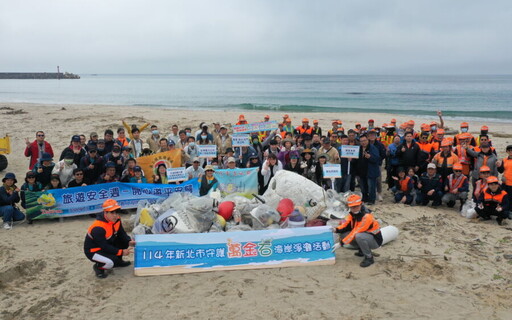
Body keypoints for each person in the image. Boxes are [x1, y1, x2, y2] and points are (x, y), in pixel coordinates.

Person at [84, 199, 134, 278]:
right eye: (112, 212)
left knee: (124, 241)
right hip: (93, 251)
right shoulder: (98, 227)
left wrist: (129, 241)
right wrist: (121, 252)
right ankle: (98, 267)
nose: (115, 215)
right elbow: (104, 246)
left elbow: (121, 233)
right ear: (105, 212)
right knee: (110, 263)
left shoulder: (117, 219)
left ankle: (119, 261)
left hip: (107, 243)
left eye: (116, 212)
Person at [335, 194, 382, 268]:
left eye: (356, 206)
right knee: (343, 234)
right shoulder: (352, 214)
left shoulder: (366, 216)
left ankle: (369, 258)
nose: (354, 209)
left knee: (359, 236)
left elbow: (356, 231)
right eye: (352, 207)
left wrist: (341, 243)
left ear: (361, 204)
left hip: (375, 240)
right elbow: (346, 225)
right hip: (365, 236)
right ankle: (362, 250)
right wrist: (336, 229)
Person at [355, 134, 381, 205]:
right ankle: (365, 199)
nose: (363, 142)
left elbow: (377, 159)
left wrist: (370, 157)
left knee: (371, 187)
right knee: (363, 187)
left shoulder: (373, 148)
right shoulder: (359, 148)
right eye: (361, 141)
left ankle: (371, 200)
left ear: (367, 140)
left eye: (364, 140)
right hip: (362, 171)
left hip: (371, 171)